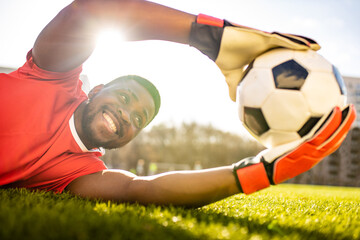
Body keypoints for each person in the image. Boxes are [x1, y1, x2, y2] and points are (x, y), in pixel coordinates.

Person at [0, 0, 355, 207]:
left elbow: (143, 189)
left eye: (138, 119)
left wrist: (259, 171)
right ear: (98, 88)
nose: (126, 114)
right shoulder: (54, 76)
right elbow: (86, 12)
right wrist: (209, 37)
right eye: (124, 98)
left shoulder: (80, 173)